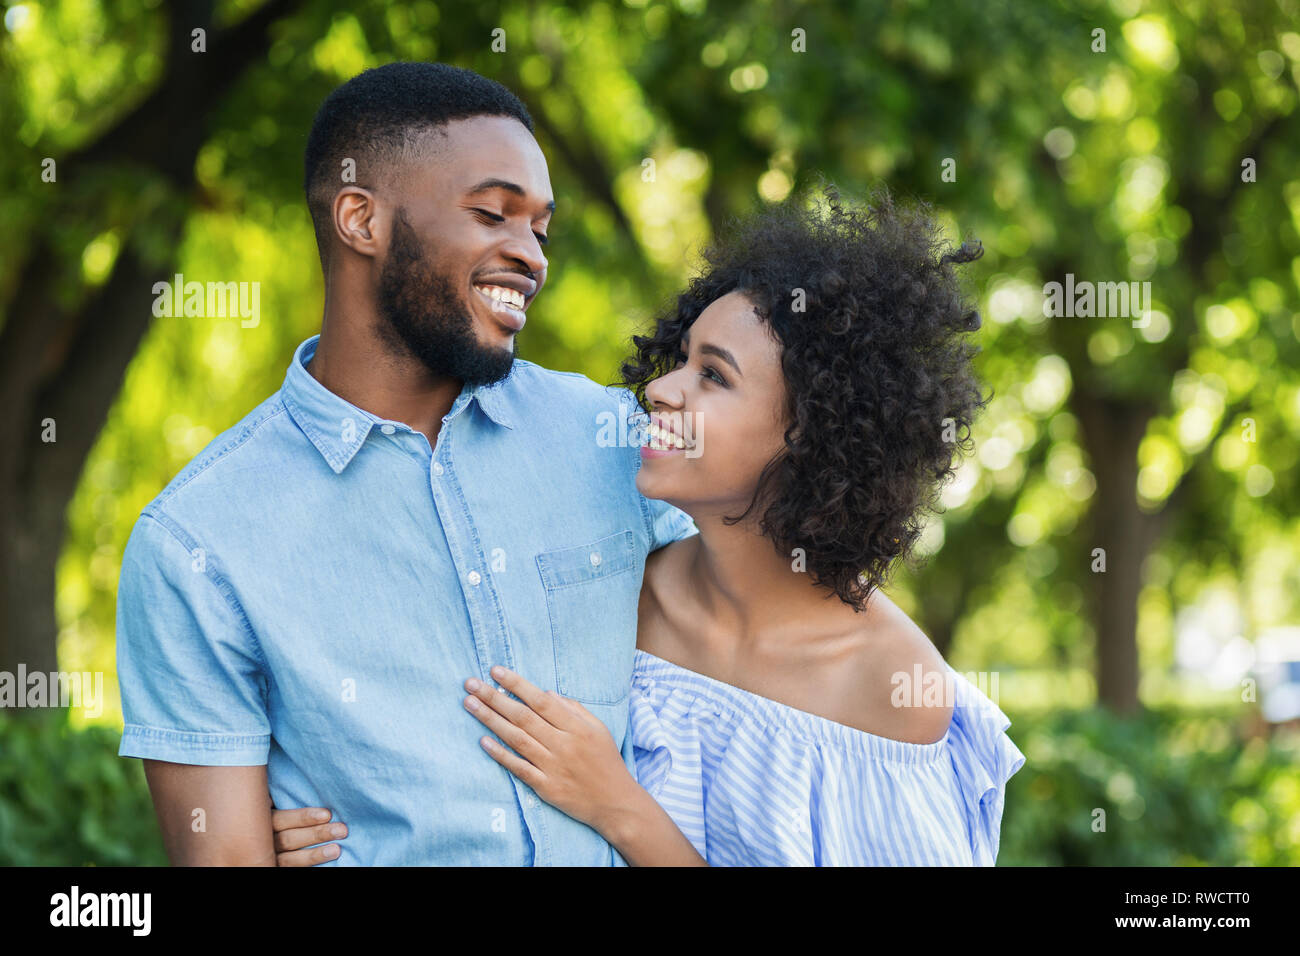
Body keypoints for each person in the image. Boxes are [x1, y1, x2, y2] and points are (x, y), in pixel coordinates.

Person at [274, 184, 1027, 866]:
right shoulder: (609, 588)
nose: (661, 389)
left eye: (714, 376)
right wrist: (326, 827)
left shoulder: (888, 689)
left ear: (813, 435)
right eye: (683, 358)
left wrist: (624, 810)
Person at [114, 62, 695, 866]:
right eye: (493, 213)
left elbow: (782, 640)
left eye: (541, 229)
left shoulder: (617, 441)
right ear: (361, 218)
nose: (531, 256)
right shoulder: (197, 545)